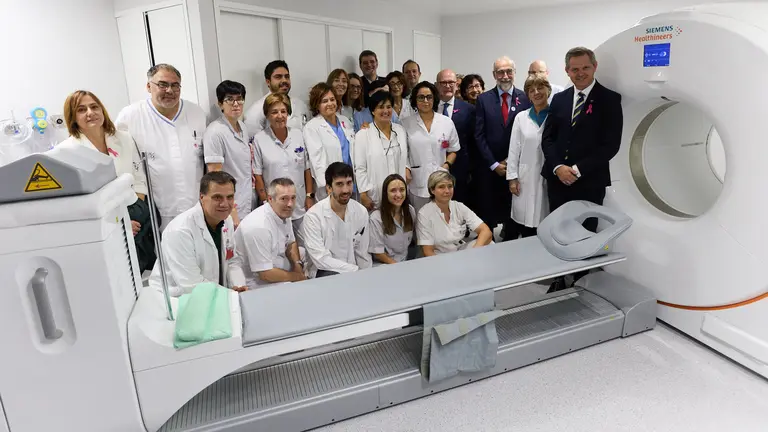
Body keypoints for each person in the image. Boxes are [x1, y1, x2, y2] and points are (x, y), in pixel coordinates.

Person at [541, 46, 623, 292]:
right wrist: (558, 167)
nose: (580, 73)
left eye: (585, 67)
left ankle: (579, 279)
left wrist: (576, 170)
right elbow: (548, 139)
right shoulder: (560, 99)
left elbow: (610, 146)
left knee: (585, 231)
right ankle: (559, 276)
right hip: (557, 179)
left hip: (589, 180)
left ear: (594, 66)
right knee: (558, 230)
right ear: (567, 71)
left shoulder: (610, 99)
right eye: (574, 69)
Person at [59, 90, 153, 272]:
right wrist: (120, 223)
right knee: (120, 274)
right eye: (81, 109)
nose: (90, 112)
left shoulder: (123, 138)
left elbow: (139, 176)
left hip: (136, 210)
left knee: (146, 269)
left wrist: (135, 212)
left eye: (94, 107)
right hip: (104, 221)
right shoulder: (67, 151)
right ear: (73, 117)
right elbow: (80, 203)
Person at [115, 63, 206, 231]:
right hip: (155, 211)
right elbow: (120, 166)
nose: (169, 90)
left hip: (196, 207)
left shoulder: (196, 113)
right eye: (162, 85)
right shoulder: (130, 116)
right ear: (149, 86)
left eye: (175, 85)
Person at [148, 171, 246, 297]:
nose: (225, 204)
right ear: (201, 197)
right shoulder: (180, 231)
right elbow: (191, 285)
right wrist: (230, 295)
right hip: (176, 299)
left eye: (230, 197)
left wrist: (237, 285)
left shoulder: (226, 220)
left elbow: (231, 259)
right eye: (217, 197)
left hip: (214, 294)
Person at [474, 56, 531, 239]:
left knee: (513, 213)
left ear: (514, 73)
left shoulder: (526, 98)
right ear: (494, 75)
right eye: (500, 72)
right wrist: (493, 164)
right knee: (489, 212)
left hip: (517, 167)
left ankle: (511, 241)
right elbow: (479, 135)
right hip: (491, 168)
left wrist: (511, 161)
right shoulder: (483, 99)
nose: (505, 76)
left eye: (509, 71)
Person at [253, 93, 314, 241]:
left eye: (283, 111)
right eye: (274, 112)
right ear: (267, 115)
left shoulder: (298, 135)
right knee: (281, 250)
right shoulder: (260, 139)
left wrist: (309, 196)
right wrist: (266, 202)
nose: (279, 116)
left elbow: (306, 168)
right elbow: (258, 174)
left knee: (307, 247)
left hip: (299, 205)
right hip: (275, 207)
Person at [233, 178, 306, 290]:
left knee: (305, 253)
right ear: (270, 199)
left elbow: (291, 243)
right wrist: (297, 277)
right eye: (284, 199)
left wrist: (297, 266)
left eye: (293, 198)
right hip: (255, 279)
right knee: (291, 288)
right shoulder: (259, 226)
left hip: (275, 261)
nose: (290, 204)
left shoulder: (283, 212)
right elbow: (265, 274)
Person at [302, 162, 371, 277]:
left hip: (353, 273)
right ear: (329, 188)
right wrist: (355, 270)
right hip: (324, 273)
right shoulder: (313, 216)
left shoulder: (361, 212)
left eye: (349, 183)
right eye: (339, 184)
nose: (345, 190)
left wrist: (366, 276)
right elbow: (321, 259)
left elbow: (363, 254)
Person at [402, 81, 460, 214]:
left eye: (429, 97)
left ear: (434, 99)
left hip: (441, 179)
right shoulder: (406, 123)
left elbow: (454, 149)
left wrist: (446, 165)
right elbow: (403, 152)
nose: (425, 101)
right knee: (419, 219)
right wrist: (406, 168)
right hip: (418, 180)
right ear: (415, 100)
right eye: (421, 97)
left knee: (441, 217)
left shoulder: (446, 122)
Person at [506, 75, 552, 239]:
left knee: (546, 219)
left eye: (540, 88)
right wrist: (512, 178)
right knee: (525, 223)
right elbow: (513, 150)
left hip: (549, 176)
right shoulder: (521, 118)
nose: (536, 92)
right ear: (528, 95)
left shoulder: (555, 115)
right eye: (531, 90)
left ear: (548, 90)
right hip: (525, 177)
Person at [203, 80, 253, 227]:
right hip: (230, 207)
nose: (236, 104)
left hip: (247, 199)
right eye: (229, 99)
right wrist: (232, 212)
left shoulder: (242, 127)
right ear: (220, 103)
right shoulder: (215, 132)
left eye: (239, 99)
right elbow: (215, 176)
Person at [354, 90, 410, 211]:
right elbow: (360, 168)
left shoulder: (400, 130)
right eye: (381, 107)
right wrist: (363, 193)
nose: (386, 111)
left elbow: (405, 156)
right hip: (375, 194)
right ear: (373, 111)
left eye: (389, 107)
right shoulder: (363, 135)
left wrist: (407, 168)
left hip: (399, 192)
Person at [417, 170, 492, 256]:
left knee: (489, 243)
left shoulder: (459, 206)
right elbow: (428, 252)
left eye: (450, 186)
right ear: (432, 190)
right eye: (441, 187)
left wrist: (474, 253)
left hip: (460, 250)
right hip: (439, 256)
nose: (447, 191)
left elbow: (486, 231)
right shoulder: (424, 213)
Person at [303, 82, 355, 201]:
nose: (330, 104)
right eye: (324, 101)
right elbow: (317, 160)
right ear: (317, 105)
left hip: (350, 181)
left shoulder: (345, 121)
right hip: (330, 187)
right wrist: (328, 185)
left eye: (332, 99)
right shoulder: (312, 127)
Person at [436, 69, 475, 205]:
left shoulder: (469, 110)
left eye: (451, 82)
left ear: (457, 85)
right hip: (435, 165)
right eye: (443, 82)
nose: (447, 86)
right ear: (436, 85)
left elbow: (473, 141)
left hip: (461, 170)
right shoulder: (429, 107)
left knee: (459, 207)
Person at [243, 60, 309, 134]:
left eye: (287, 77)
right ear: (268, 82)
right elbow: (254, 141)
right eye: (278, 77)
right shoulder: (256, 110)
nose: (284, 80)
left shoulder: (300, 105)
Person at [368, 174, 416, 265]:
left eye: (402, 190)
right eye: (393, 190)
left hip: (404, 262)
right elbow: (378, 253)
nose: (398, 194)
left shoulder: (410, 211)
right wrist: (398, 267)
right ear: (386, 193)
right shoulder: (376, 217)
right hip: (384, 265)